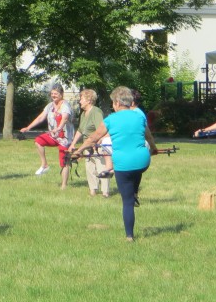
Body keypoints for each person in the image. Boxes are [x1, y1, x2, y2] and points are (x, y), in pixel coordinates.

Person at [73, 86, 158, 242]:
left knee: (127, 203)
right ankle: (135, 192)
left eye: (113, 102)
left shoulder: (111, 119)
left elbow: (93, 138)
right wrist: (153, 149)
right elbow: (149, 137)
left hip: (123, 165)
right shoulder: (139, 117)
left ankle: (129, 236)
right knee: (136, 170)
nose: (113, 105)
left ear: (118, 103)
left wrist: (79, 150)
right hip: (143, 161)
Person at [19, 84, 74, 188]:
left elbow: (65, 119)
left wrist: (58, 128)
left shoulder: (65, 106)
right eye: (52, 93)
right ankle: (44, 164)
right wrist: (28, 127)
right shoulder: (50, 106)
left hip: (65, 138)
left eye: (56, 93)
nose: (53, 95)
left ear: (61, 94)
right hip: (53, 136)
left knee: (64, 162)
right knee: (39, 140)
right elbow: (41, 117)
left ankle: (63, 185)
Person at [68, 88, 110, 198]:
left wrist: (97, 144)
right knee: (89, 169)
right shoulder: (83, 114)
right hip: (87, 145)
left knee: (101, 168)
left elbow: (101, 130)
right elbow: (80, 130)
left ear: (89, 100)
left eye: (81, 99)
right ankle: (93, 191)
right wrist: (73, 144)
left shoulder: (96, 112)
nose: (79, 101)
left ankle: (105, 192)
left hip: (97, 145)